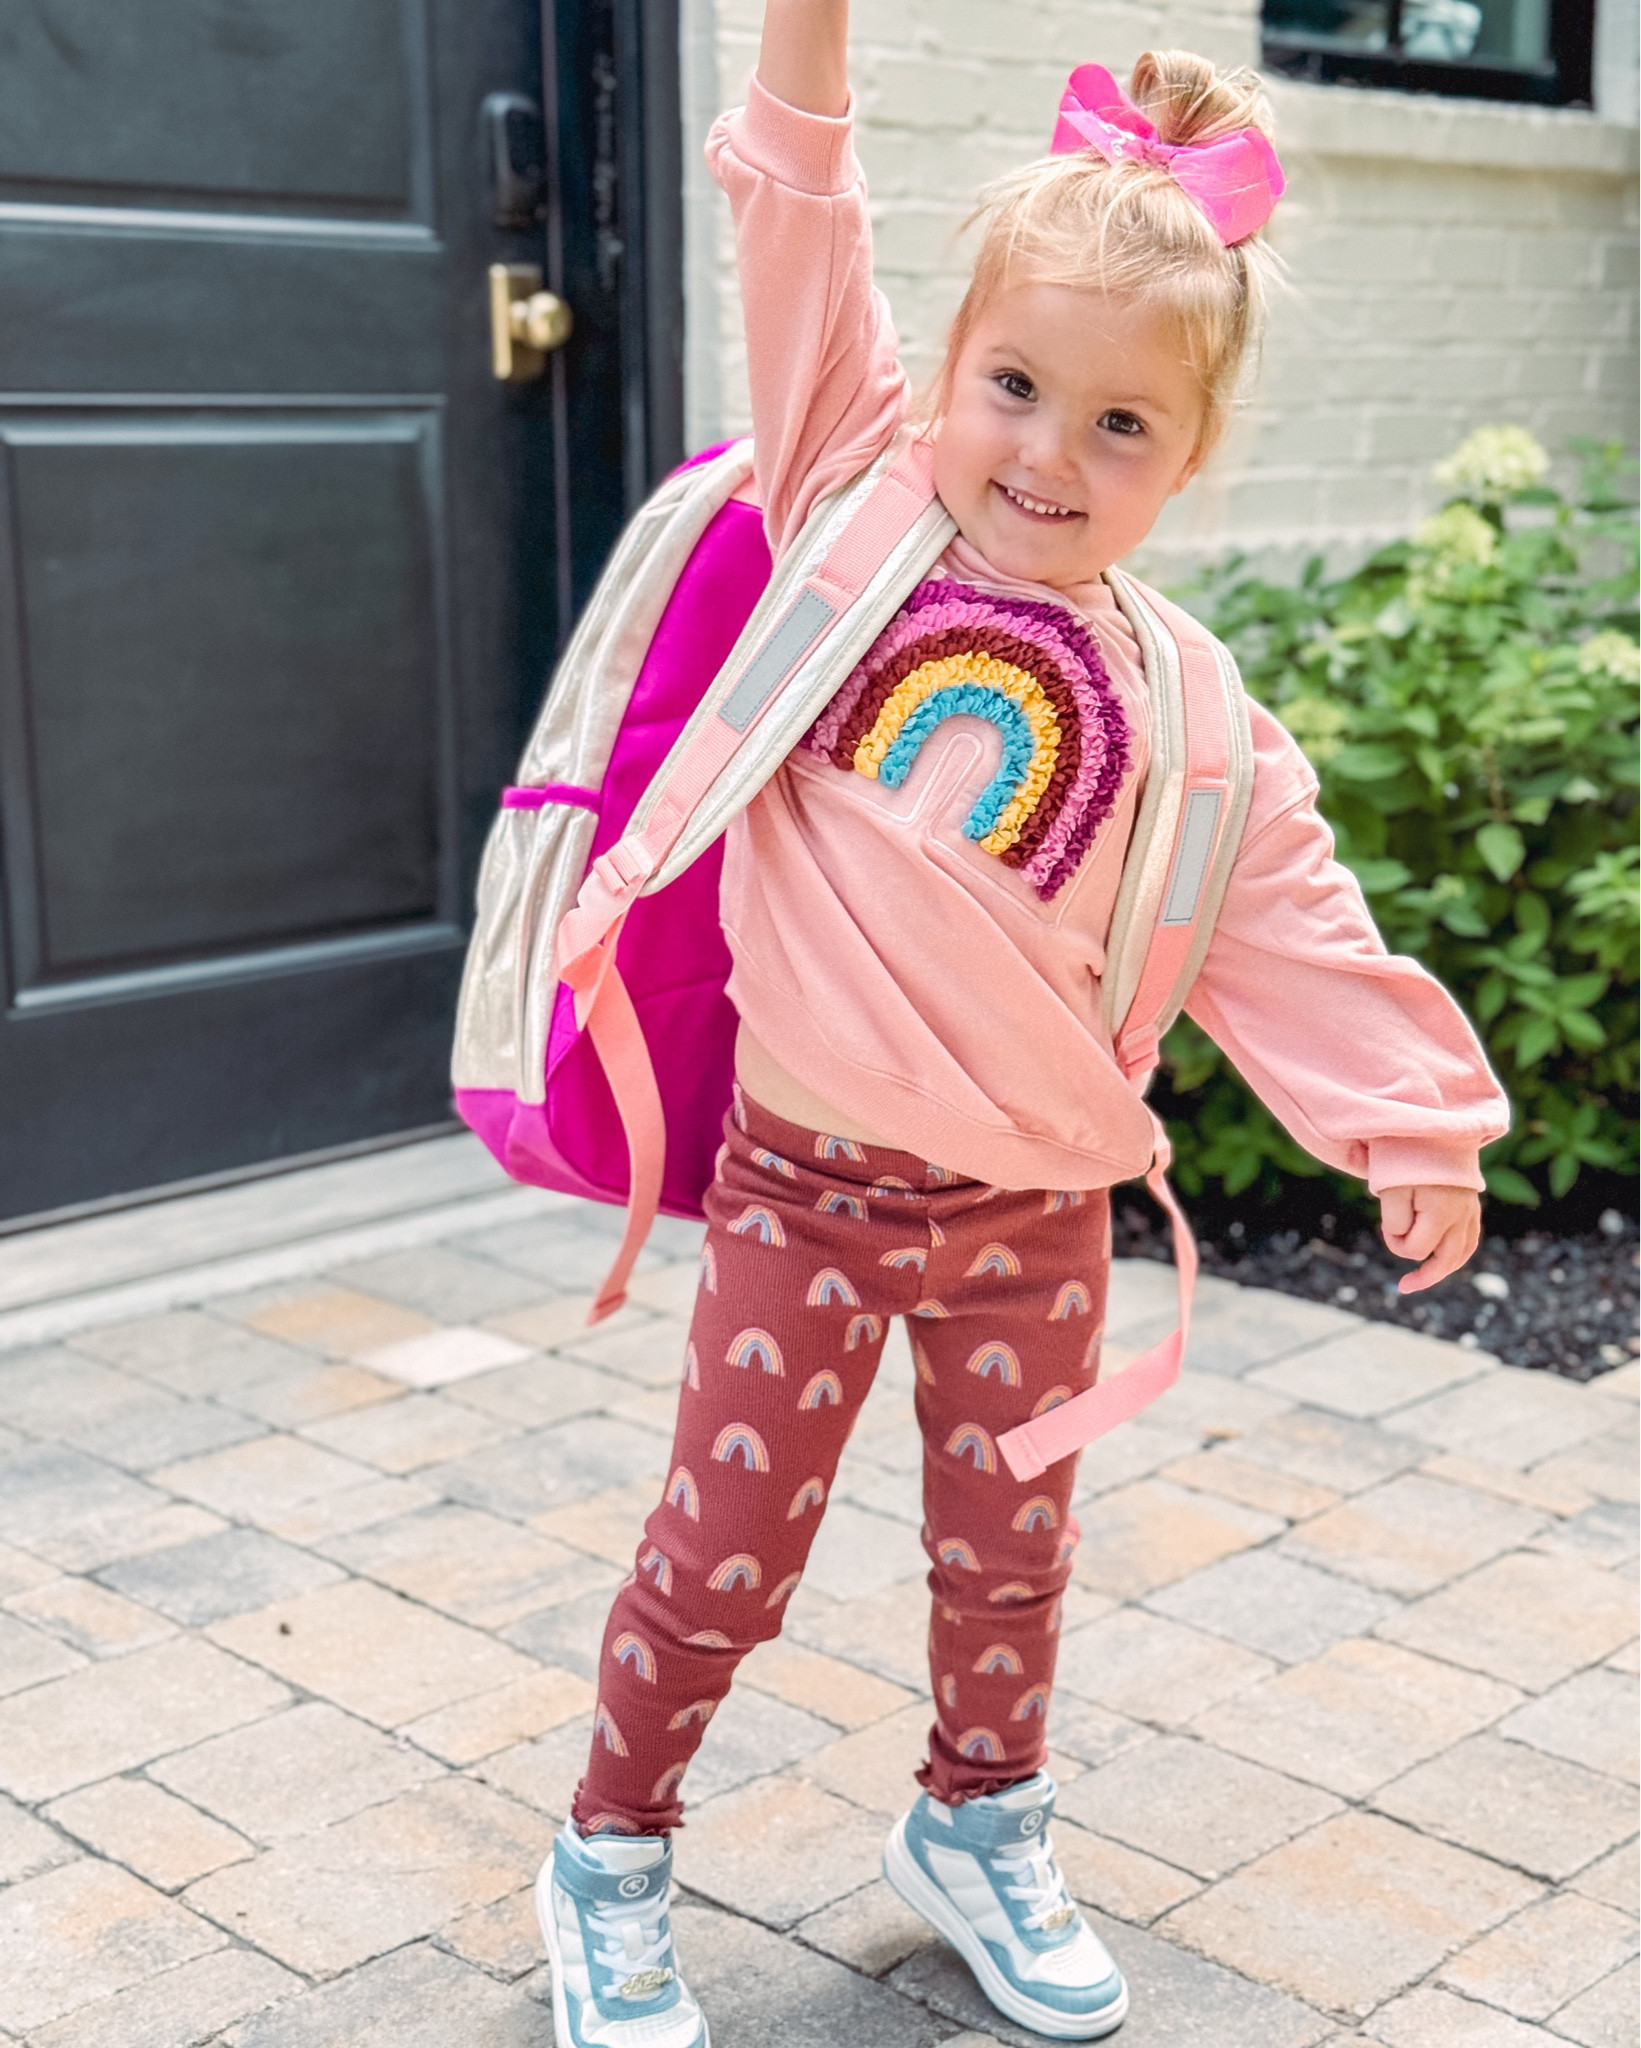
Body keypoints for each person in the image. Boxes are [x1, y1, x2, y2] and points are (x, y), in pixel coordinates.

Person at [536, 9, 1508, 2044]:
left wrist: (1406, 1117)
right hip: (795, 1187)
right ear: (942, 376)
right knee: (720, 1559)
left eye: (1121, 426)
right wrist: (801, 36)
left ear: (1188, 455)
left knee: (1008, 1561)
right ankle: (610, 1848)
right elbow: (802, 205)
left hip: (1033, 1213)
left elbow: (1288, 914)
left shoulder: (1188, 705)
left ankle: (975, 1824)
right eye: (1011, 386)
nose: (1049, 455)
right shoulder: (850, 510)